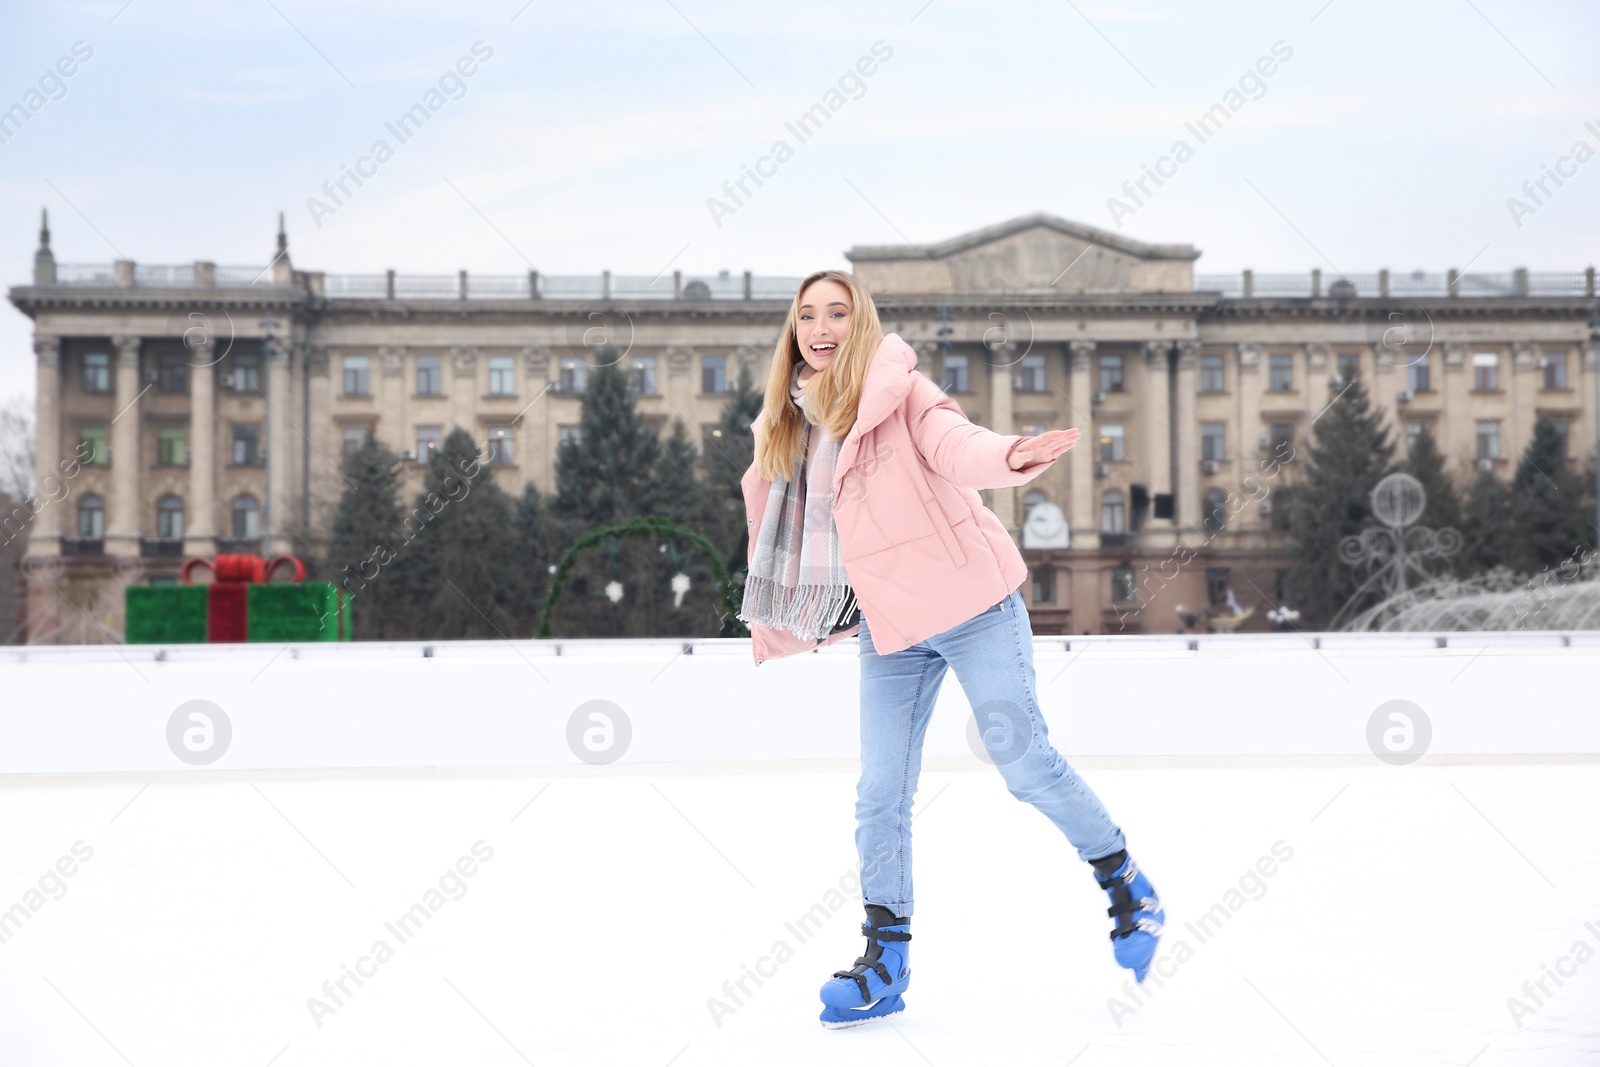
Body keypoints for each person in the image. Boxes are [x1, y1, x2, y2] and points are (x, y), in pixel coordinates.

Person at [737, 270, 1164, 1029]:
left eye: (837, 311)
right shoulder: (791, 427)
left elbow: (955, 444)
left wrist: (1010, 455)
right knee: (879, 793)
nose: (821, 325)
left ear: (860, 323)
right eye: (808, 314)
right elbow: (788, 537)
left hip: (972, 604)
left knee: (1024, 760)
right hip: (889, 626)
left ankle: (1123, 878)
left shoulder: (901, 392)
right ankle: (886, 959)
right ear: (795, 331)